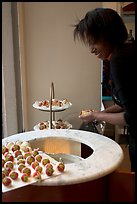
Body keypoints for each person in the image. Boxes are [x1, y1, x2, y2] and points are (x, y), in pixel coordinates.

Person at [73, 8, 136, 172]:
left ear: (108, 35)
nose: (91, 50)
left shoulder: (119, 60)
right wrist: (99, 113)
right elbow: (126, 104)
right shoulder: (126, 52)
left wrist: (96, 115)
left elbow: (131, 116)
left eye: (94, 42)